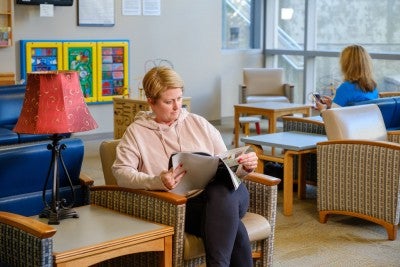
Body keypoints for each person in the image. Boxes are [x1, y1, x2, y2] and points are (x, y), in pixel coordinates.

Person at [112, 66, 259, 267]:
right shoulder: (136, 133)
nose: (177, 107)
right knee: (236, 230)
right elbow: (121, 173)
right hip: (182, 205)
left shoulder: (198, 123)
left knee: (219, 190)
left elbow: (226, 163)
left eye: (179, 98)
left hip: (229, 194)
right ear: (151, 101)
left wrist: (245, 167)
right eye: (169, 101)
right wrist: (157, 180)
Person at [316, 44, 378, 111]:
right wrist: (333, 104)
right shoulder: (373, 88)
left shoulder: (345, 88)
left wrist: (322, 109)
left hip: (347, 121)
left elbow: (334, 118)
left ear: (346, 65)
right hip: (368, 121)